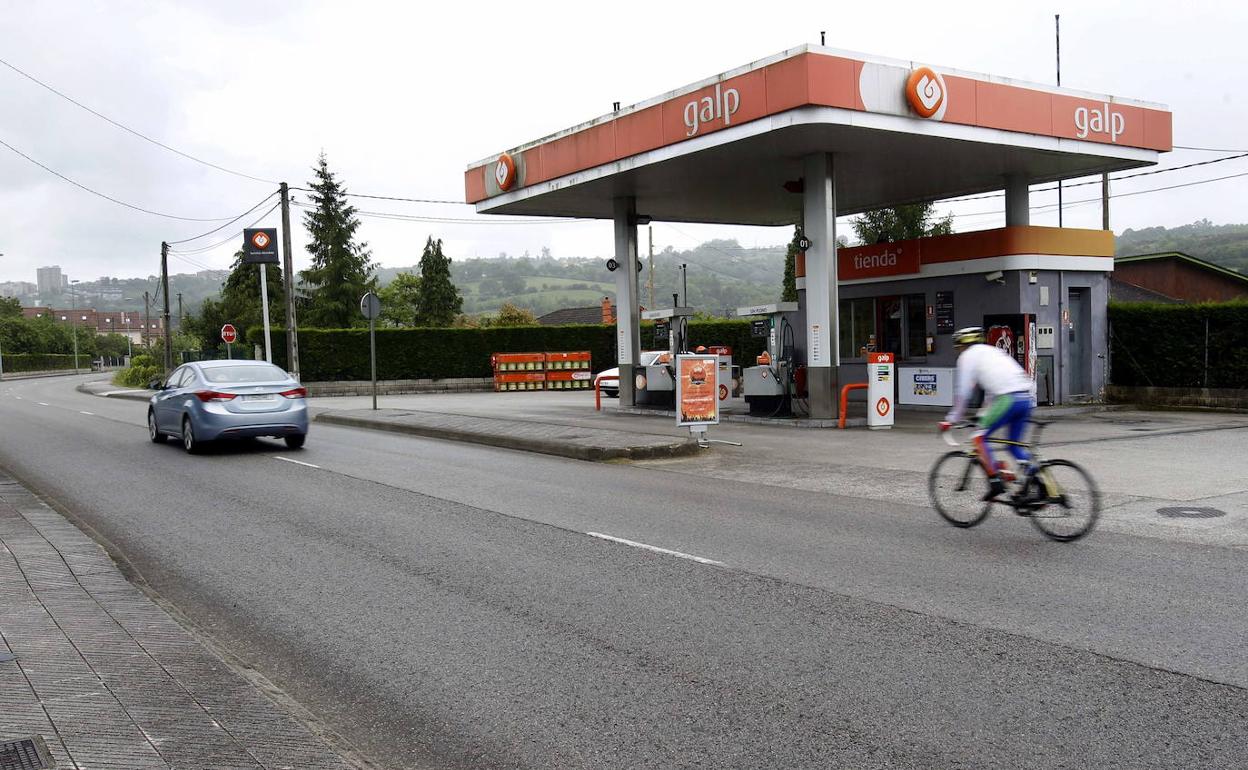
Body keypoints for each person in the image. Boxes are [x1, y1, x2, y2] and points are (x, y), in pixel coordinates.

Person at [939, 326, 1037, 501]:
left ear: (961, 345)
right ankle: (1038, 483)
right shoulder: (993, 352)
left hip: (1008, 399)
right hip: (1026, 397)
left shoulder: (967, 357)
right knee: (1013, 446)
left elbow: (963, 392)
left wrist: (952, 419)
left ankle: (996, 482)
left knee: (978, 437)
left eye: (958, 347)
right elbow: (992, 390)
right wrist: (983, 413)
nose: (958, 350)